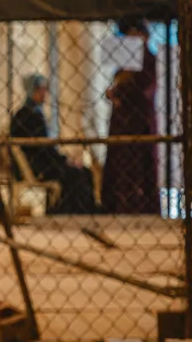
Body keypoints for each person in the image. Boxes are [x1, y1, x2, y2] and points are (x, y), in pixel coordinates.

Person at [9, 73, 97, 214]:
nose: (45, 93)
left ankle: (80, 209)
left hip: (40, 163)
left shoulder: (29, 113)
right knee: (78, 174)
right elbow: (43, 149)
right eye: (41, 89)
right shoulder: (29, 116)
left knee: (83, 172)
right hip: (38, 166)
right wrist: (64, 160)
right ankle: (76, 211)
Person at [102, 19, 160, 214]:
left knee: (138, 168)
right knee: (121, 168)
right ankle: (119, 205)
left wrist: (120, 94)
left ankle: (139, 206)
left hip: (138, 123)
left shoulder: (148, 59)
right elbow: (120, 84)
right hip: (123, 123)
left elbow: (142, 90)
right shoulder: (126, 60)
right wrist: (115, 92)